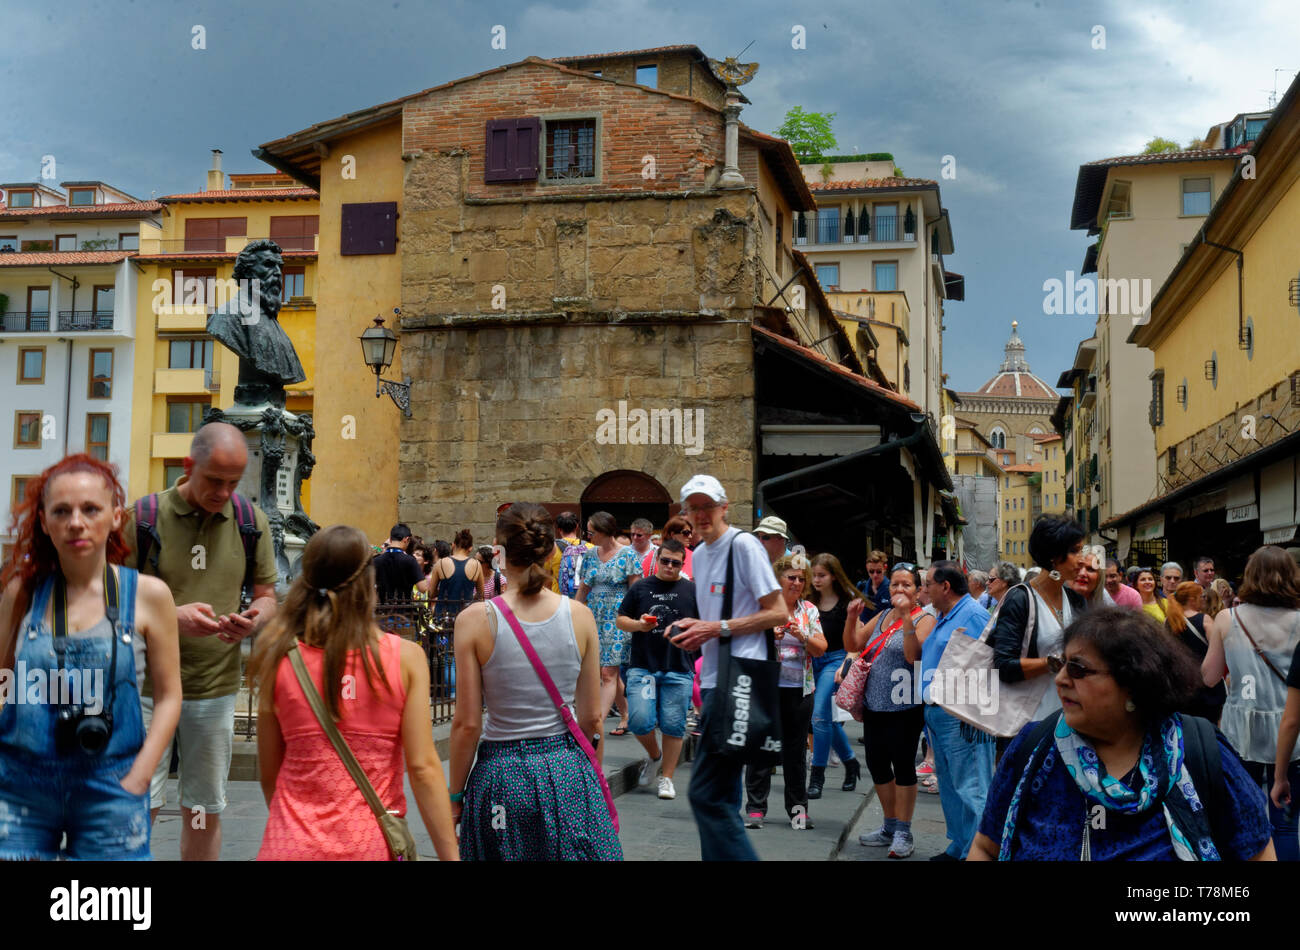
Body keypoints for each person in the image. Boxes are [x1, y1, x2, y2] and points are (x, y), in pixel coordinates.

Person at [970, 608, 1274, 861]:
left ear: (1133, 683)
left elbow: (1259, 855)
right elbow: (985, 847)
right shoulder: (1034, 749)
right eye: (1062, 664)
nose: (1060, 679)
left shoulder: (1202, 753)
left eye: (1077, 669)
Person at [0, 455, 182, 860]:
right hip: (20, 787)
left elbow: (170, 696)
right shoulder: (23, 594)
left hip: (111, 784)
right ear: (44, 522)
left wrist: (140, 775)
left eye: (90, 509)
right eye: (61, 511)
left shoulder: (149, 597)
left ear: (116, 517)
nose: (76, 523)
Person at [250, 525, 458, 860]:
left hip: (288, 845)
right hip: (366, 846)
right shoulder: (404, 659)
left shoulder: (278, 658)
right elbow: (422, 768)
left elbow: (270, 774)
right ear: (367, 583)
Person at [124, 422, 279, 861]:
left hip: (214, 688)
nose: (223, 492)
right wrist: (170, 619)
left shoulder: (250, 521)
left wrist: (253, 619)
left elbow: (267, 596)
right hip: (145, 690)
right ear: (189, 466)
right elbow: (108, 599)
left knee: (202, 809)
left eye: (233, 482)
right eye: (214, 480)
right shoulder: (144, 517)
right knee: (140, 802)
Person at [448, 504, 621, 860]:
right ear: (549, 552)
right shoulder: (580, 616)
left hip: (501, 776)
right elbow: (592, 719)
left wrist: (454, 798)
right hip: (567, 769)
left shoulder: (473, 621)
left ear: (498, 551)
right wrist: (592, 780)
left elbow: (467, 725)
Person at [671, 475, 786, 861]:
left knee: (705, 794)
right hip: (716, 680)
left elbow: (778, 612)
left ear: (723, 507)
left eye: (707, 506)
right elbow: (719, 618)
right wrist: (698, 629)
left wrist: (714, 627)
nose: (701, 514)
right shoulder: (700, 555)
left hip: (739, 682)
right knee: (721, 797)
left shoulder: (744, 546)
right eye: (693, 507)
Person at [1206, 545, 1300, 860]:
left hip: (1239, 732)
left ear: (1250, 576)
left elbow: (1208, 676)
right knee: (1285, 826)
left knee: (1239, 818)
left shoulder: (1226, 618)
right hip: (1292, 731)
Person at [906, 560, 995, 860]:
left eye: (928, 584)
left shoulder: (972, 615)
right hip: (940, 713)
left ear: (945, 586)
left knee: (971, 788)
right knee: (952, 787)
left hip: (960, 715)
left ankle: (977, 852)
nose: (924, 590)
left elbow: (985, 664)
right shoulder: (945, 615)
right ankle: (960, 846)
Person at [845, 561, 934, 858]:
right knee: (877, 765)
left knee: (904, 766)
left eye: (906, 585)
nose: (898, 589)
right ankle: (889, 825)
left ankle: (904, 832)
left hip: (905, 708)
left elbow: (913, 657)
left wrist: (907, 616)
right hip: (875, 705)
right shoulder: (882, 615)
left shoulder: (924, 619)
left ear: (917, 590)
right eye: (895, 584)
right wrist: (851, 618)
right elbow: (854, 642)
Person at [743, 553, 826, 830]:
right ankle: (755, 809)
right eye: (791, 577)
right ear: (778, 580)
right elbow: (744, 642)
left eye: (801, 579)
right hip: (766, 688)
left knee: (795, 755)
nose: (797, 583)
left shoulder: (809, 611)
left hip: (798, 691)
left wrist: (802, 636)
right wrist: (770, 634)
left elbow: (821, 647)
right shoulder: (762, 608)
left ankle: (798, 812)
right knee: (760, 750)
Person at [991, 515, 1087, 739]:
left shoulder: (1074, 598)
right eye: (1075, 551)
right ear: (1054, 557)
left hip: (1070, 721)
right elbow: (1004, 665)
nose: (1082, 560)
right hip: (1030, 725)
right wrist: (1052, 663)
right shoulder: (1020, 598)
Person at [615, 538, 696, 801]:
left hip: (678, 667)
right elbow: (620, 619)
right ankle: (654, 756)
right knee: (639, 720)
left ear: (682, 564)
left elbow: (704, 623)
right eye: (665, 561)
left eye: (675, 562)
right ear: (656, 560)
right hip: (643, 666)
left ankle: (667, 778)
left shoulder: (691, 590)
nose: (669, 566)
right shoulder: (641, 588)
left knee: (673, 726)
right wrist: (639, 625)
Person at [576, 511, 642, 743]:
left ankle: (596, 725)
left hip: (617, 619)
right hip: (594, 618)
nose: (589, 535)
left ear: (604, 531)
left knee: (608, 673)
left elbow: (635, 592)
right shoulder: (590, 555)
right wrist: (572, 614)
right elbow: (583, 589)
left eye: (592, 532)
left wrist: (632, 621)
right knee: (607, 674)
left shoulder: (628, 555)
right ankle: (625, 713)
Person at [805, 553, 862, 798]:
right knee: (822, 718)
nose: (816, 580)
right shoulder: (807, 600)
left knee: (819, 715)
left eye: (822, 575)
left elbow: (856, 640)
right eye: (814, 575)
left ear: (833, 576)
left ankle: (817, 776)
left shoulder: (846, 602)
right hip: (810, 661)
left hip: (834, 660)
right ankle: (851, 763)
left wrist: (847, 662)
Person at [1165, 581, 1226, 725]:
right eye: (1201, 596)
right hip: (1206, 685)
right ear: (1192, 599)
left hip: (1182, 685)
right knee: (1211, 730)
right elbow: (1218, 648)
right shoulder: (1204, 619)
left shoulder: (1169, 621)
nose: (1203, 600)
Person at [431, 528, 484, 619]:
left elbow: (431, 593)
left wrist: (446, 592)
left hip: (443, 615)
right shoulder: (476, 565)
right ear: (470, 548)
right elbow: (481, 595)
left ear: (453, 545)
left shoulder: (441, 563)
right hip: (465, 616)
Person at [373, 523, 429, 603]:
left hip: (384, 610)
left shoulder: (376, 561)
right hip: (404, 611)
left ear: (391, 539)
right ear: (406, 540)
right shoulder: (410, 561)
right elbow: (423, 588)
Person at [555, 511, 594, 598]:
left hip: (560, 602)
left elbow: (547, 580)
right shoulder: (591, 548)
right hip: (584, 601)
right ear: (577, 526)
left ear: (559, 529)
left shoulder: (552, 549)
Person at [647, 515, 694, 579]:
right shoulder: (653, 555)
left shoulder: (693, 555)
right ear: (673, 534)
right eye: (686, 533)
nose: (690, 536)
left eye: (691, 533)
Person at [855, 549, 893, 617]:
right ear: (867, 568)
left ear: (885, 568)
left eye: (878, 571)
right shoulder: (861, 586)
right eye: (871, 571)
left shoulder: (892, 588)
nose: (875, 575)